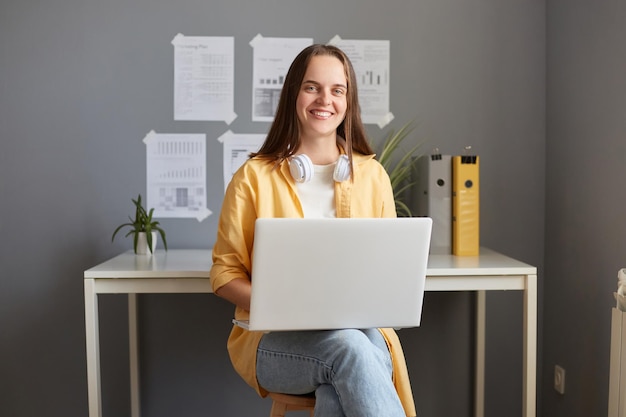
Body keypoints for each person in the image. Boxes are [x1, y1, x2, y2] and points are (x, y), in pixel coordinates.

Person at [210, 44, 416, 417]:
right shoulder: (253, 177)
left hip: (360, 337)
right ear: (294, 93)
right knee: (352, 350)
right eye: (312, 87)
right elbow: (224, 275)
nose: (325, 99)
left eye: (337, 90)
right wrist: (282, 306)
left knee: (343, 378)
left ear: (348, 101)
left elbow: (388, 273)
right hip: (271, 344)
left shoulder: (372, 176)